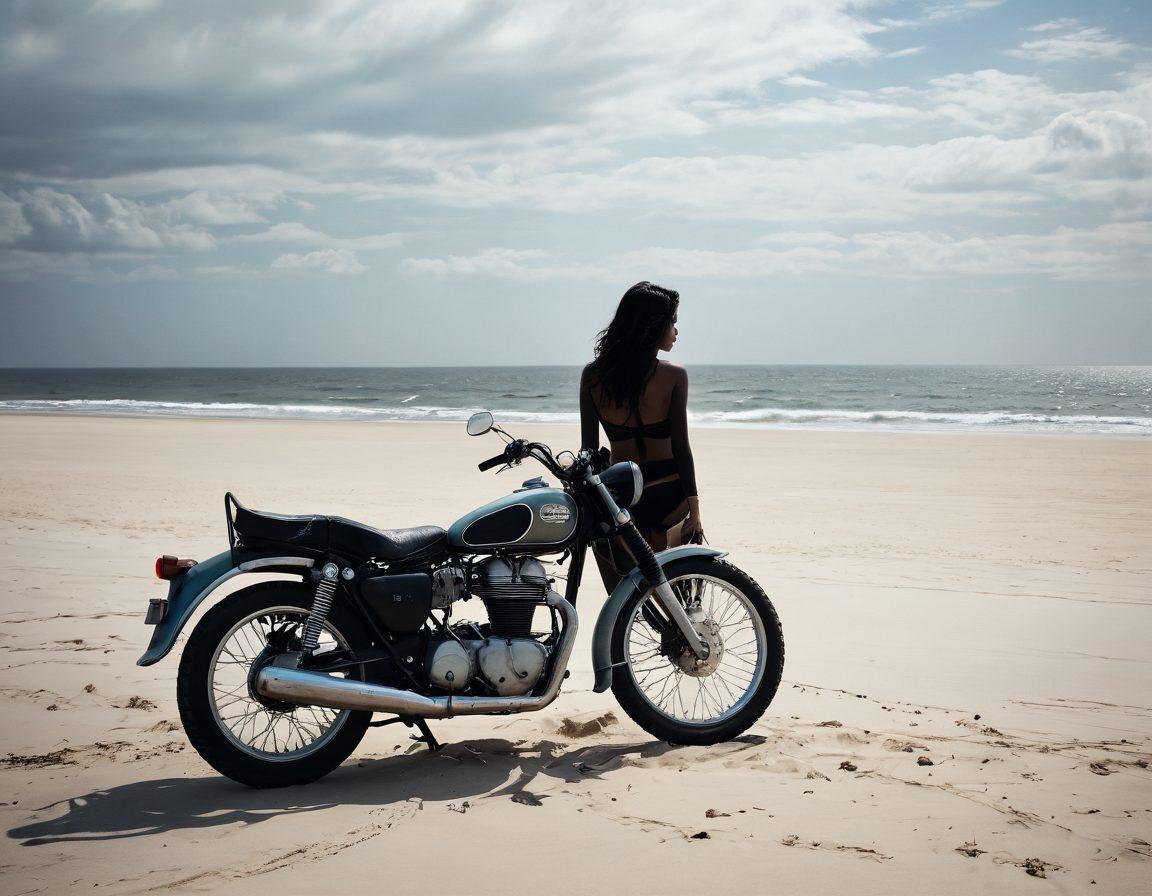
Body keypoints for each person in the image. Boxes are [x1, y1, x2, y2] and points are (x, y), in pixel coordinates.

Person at [580, 281, 703, 592]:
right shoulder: (675, 376)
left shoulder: (593, 378)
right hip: (670, 497)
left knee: (629, 594)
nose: (676, 330)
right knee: (679, 592)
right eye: (672, 321)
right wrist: (696, 510)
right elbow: (681, 449)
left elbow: (589, 452)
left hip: (623, 498)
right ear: (652, 325)